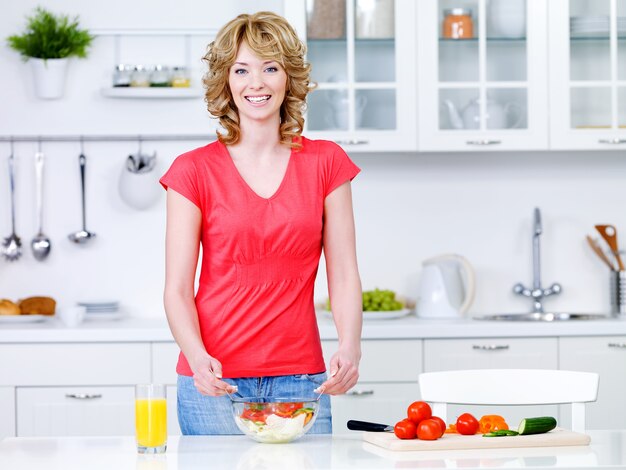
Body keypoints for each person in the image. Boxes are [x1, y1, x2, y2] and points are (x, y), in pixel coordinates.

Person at [160, 11, 362, 435]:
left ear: (288, 78)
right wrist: (196, 357)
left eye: (270, 68)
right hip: (213, 381)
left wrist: (349, 346)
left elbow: (343, 275)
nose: (257, 83)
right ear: (226, 81)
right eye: (241, 69)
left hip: (302, 381)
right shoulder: (192, 171)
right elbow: (178, 289)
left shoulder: (327, 163)